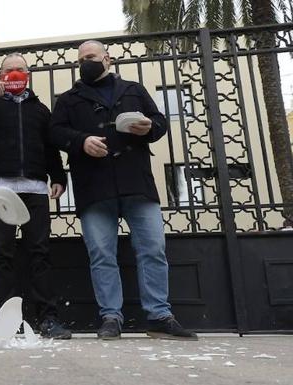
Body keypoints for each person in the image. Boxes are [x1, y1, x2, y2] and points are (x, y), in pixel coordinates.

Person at [50, 40, 197, 340]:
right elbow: (54, 132)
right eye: (80, 60)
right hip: (94, 187)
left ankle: (158, 316)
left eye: (90, 57)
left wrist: (149, 127)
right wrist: (81, 141)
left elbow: (159, 122)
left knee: (153, 249)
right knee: (102, 254)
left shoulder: (135, 90)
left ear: (108, 59)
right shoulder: (67, 99)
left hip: (137, 183)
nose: (85, 63)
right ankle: (110, 317)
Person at [0, 53, 72, 339]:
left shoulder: (41, 109)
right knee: (3, 255)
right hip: (0, 189)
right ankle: (1, 322)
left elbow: (49, 148)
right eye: (9, 71)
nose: (15, 74)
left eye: (20, 70)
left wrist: (58, 177)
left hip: (34, 189)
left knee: (40, 253)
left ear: (28, 74)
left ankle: (48, 320)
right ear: (0, 75)